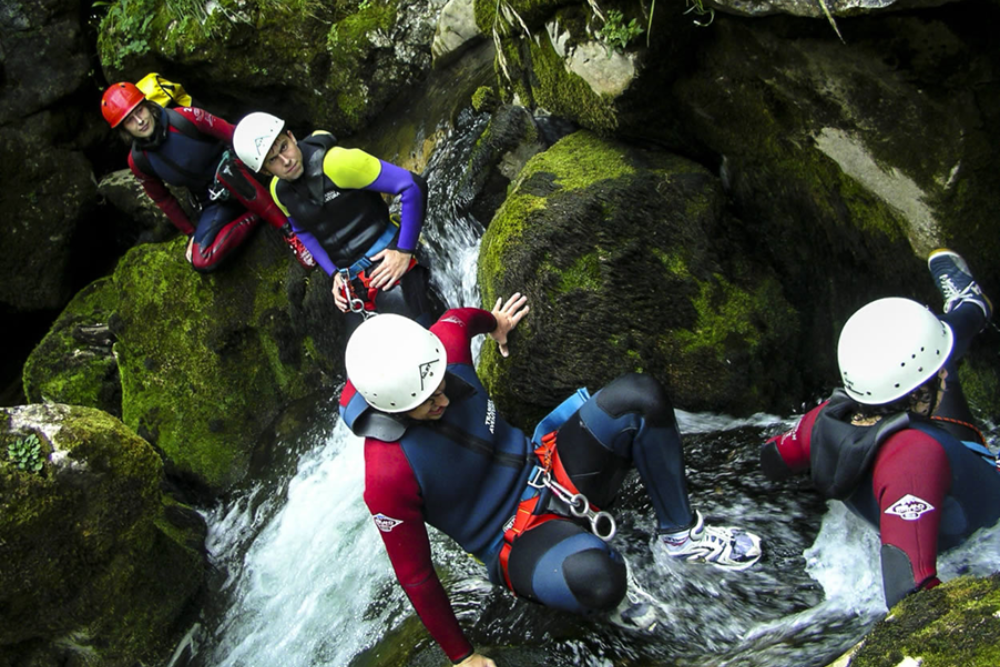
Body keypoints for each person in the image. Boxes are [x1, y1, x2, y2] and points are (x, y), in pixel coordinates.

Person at [340, 296, 763, 666]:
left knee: (640, 396)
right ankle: (599, 583)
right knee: (599, 580)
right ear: (392, 409)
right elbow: (415, 574)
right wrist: (462, 655)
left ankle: (682, 535)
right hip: (513, 539)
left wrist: (498, 325)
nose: (445, 399)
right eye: (429, 400)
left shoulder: (445, 350)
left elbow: (460, 318)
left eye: (441, 385)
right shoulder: (387, 475)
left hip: (550, 464)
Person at [760, 249, 1000, 609]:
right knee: (932, 354)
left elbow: (772, 458)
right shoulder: (914, 460)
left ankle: (972, 305)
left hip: (938, 459)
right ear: (918, 395)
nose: (946, 375)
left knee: (930, 349)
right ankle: (971, 308)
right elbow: (909, 595)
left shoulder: (827, 417)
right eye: (939, 378)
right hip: (974, 528)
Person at [232, 112, 438, 329]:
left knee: (422, 339)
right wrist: (334, 273)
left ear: (291, 137)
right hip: (353, 282)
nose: (286, 161)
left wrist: (403, 250)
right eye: (273, 160)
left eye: (284, 146)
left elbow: (412, 185)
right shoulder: (279, 191)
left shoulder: (336, 162)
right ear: (266, 170)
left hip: (388, 259)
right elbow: (303, 231)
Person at [100, 82, 315, 272]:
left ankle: (290, 233)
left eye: (140, 111)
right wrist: (190, 233)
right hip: (214, 199)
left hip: (240, 172)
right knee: (201, 259)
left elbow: (234, 135)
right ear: (123, 130)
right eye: (130, 120)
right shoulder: (138, 161)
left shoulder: (184, 118)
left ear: (147, 105)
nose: (140, 121)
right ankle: (258, 213)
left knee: (227, 173)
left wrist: (272, 163)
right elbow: (163, 199)